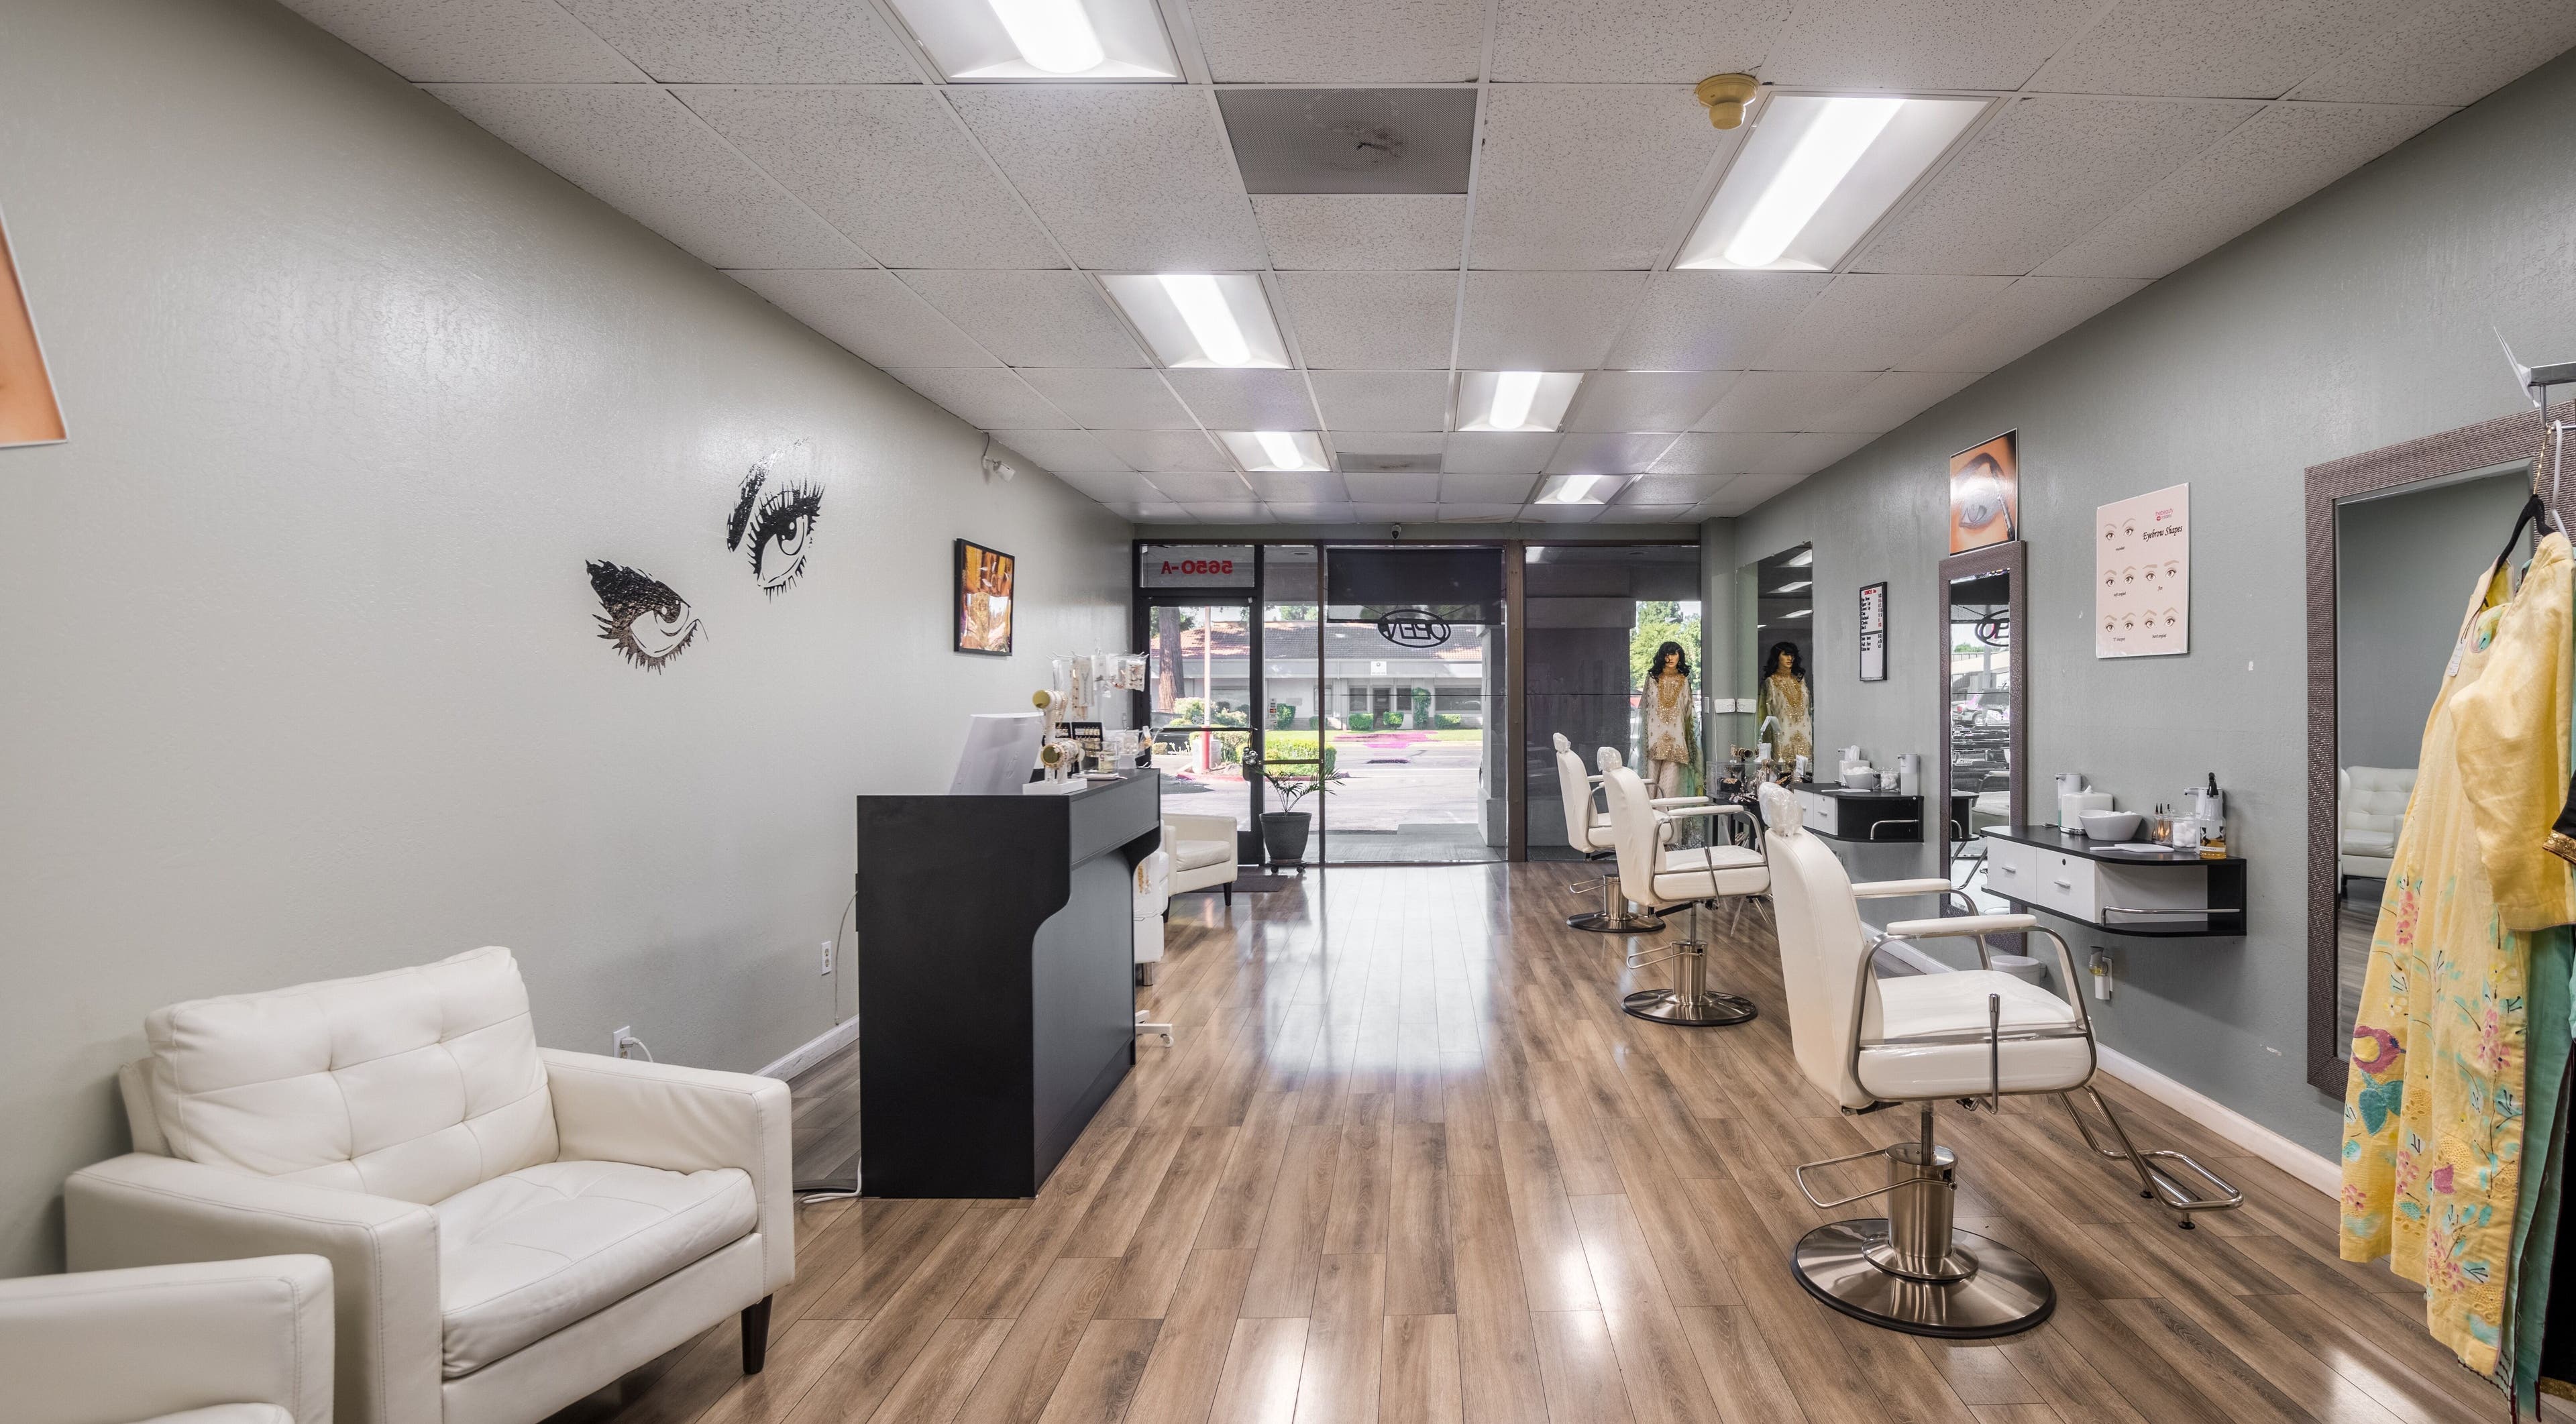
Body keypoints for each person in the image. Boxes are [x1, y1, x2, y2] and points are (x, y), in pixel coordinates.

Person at [1642, 641, 1701, 802]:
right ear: (1661, 657)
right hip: (1653, 745)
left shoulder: (1684, 681)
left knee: (1667, 797)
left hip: (1676, 745)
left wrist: (1691, 747)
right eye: (1667, 654)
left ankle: (1668, 827)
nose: (1670, 658)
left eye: (1674, 654)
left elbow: (1689, 716)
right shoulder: (1652, 680)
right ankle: (1648, 827)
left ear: (1680, 656)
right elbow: (1644, 712)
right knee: (1649, 795)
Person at [1758, 641, 1812, 775]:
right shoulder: (1770, 682)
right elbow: (1765, 715)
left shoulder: (1800, 680)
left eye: (1792, 655)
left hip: (1805, 735)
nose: (1790, 659)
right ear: (1777, 657)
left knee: (1806, 774)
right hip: (1783, 735)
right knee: (1784, 775)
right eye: (1786, 655)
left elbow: (1808, 709)